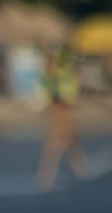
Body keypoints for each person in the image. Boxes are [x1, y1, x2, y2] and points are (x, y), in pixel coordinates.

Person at [37, 51, 88, 189]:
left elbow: (64, 100)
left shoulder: (60, 78)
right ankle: (47, 176)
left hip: (64, 118)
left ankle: (78, 171)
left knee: (68, 145)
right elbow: (56, 101)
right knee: (58, 146)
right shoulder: (54, 80)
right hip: (61, 118)